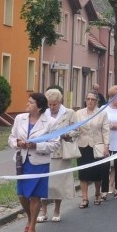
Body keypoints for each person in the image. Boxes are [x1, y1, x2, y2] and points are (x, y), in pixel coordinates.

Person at [8, 93, 60, 232]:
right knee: (22, 195)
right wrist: (18, 143)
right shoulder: (20, 118)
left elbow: (55, 144)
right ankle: (31, 217)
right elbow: (11, 138)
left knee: (35, 195)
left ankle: (32, 227)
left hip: (39, 164)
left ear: (39, 107)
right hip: (22, 162)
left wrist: (37, 145)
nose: (27, 104)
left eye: (31, 102)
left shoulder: (50, 122)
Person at [38, 88, 77, 224]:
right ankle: (43, 212)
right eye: (49, 104)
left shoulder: (69, 113)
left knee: (58, 184)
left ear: (60, 101)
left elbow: (76, 130)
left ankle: (57, 209)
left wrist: (66, 134)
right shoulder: (43, 113)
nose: (52, 107)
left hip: (60, 152)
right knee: (44, 183)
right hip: (44, 151)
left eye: (54, 104)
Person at [75, 91, 110, 207]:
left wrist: (106, 146)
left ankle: (97, 193)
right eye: (88, 99)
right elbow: (75, 129)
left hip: (97, 146)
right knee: (83, 173)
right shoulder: (78, 113)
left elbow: (105, 130)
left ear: (97, 101)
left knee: (96, 173)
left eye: (92, 99)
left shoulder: (102, 113)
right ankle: (84, 198)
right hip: (83, 145)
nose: (90, 101)